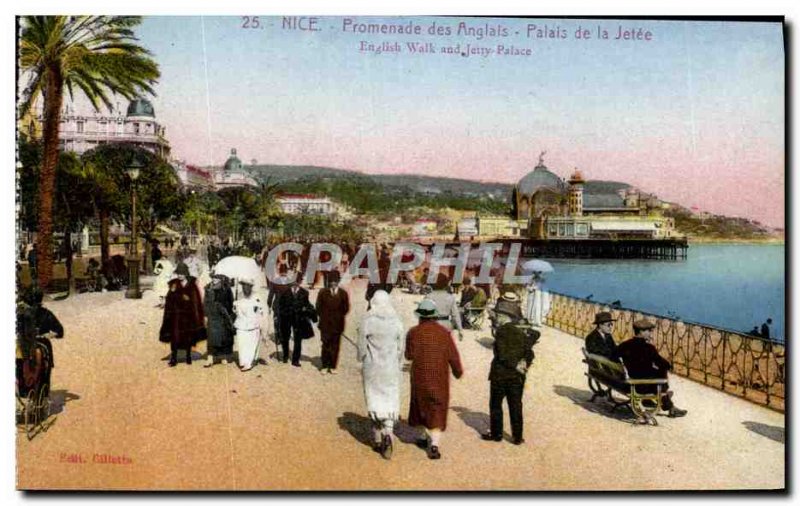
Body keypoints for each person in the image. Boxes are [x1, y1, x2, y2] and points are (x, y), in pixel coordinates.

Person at [405, 299, 464, 460]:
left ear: (420, 317)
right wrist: (458, 372)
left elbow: (408, 355)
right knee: (437, 407)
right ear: (434, 316)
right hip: (439, 377)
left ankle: (423, 438)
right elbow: (453, 356)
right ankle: (435, 445)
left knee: (420, 405)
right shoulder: (444, 333)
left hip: (420, 377)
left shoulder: (413, 332)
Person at [357, 290, 405, 459]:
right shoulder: (396, 320)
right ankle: (389, 432)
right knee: (390, 398)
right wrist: (397, 361)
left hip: (373, 366)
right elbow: (401, 347)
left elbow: (362, 346)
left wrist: (360, 360)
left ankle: (377, 438)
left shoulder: (367, 319)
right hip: (390, 367)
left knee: (374, 398)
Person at [482, 301, 537, 445]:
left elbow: (502, 355)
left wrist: (515, 365)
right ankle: (517, 437)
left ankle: (497, 434)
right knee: (516, 406)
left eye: (499, 315)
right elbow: (530, 353)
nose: (497, 317)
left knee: (496, 405)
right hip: (517, 378)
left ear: (505, 316)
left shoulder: (501, 331)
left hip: (500, 375)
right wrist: (524, 364)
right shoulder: (521, 333)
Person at [613, 319, 688, 419]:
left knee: (656, 372)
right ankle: (667, 401)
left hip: (632, 380)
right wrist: (668, 366)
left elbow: (613, 355)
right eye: (649, 331)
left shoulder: (624, 345)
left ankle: (665, 396)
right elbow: (663, 364)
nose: (650, 333)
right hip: (642, 385)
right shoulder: (648, 348)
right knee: (661, 371)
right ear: (641, 332)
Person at [159, 268, 196, 367]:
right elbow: (169, 298)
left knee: (187, 336)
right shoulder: (174, 284)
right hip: (176, 315)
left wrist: (189, 300)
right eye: (178, 273)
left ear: (186, 274)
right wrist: (174, 295)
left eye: (182, 273)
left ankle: (188, 356)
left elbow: (195, 299)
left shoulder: (191, 284)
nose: (180, 275)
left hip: (187, 315)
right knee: (175, 336)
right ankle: (174, 358)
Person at [315, 271, 350, 374]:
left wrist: (337, 316)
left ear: (338, 282)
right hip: (325, 324)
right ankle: (325, 365)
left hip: (337, 324)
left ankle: (333, 366)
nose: (333, 283)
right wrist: (325, 316)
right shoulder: (323, 293)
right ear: (329, 282)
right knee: (325, 344)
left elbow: (346, 308)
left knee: (335, 345)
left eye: (335, 281)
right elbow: (318, 307)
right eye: (331, 281)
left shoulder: (343, 294)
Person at [276, 279, 317, 366]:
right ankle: (285, 356)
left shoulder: (304, 292)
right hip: (286, 318)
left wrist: (309, 311)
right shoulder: (285, 291)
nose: (295, 283)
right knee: (285, 338)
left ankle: (295, 360)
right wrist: (279, 316)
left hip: (299, 319)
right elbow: (279, 305)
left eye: (297, 281)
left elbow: (307, 304)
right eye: (293, 281)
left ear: (300, 282)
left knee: (298, 339)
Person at [204, 273, 235, 367]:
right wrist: (205, 315)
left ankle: (223, 357)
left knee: (223, 337)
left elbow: (231, 302)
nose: (214, 279)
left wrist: (227, 312)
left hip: (223, 316)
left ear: (221, 278)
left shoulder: (227, 289)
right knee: (211, 337)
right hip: (212, 315)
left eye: (216, 277)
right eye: (213, 277)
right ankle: (210, 358)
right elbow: (205, 302)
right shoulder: (208, 288)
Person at [233, 278, 265, 371]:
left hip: (253, 324)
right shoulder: (239, 296)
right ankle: (243, 361)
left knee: (251, 344)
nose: (244, 288)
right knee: (242, 343)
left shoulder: (256, 296)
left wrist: (261, 321)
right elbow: (236, 311)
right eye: (243, 286)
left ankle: (248, 363)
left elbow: (261, 310)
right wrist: (235, 308)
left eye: (247, 286)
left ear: (250, 287)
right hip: (241, 324)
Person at [424, 273, 463, 341]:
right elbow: (455, 315)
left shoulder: (428, 297)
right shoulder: (450, 298)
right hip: (446, 325)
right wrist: (460, 330)